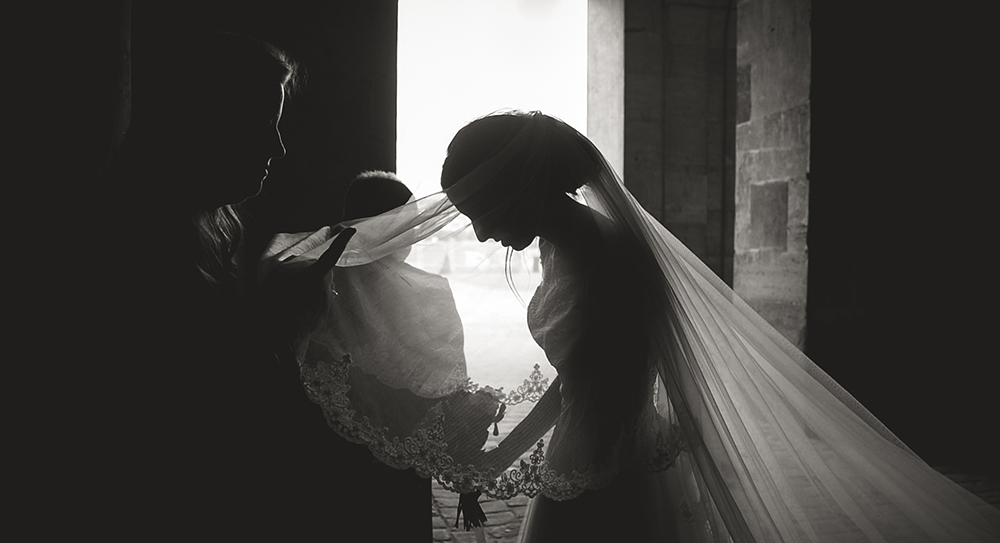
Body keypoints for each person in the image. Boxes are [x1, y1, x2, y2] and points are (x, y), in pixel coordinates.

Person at [290, 110, 1000, 542]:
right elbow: (578, 380)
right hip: (587, 451)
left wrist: (501, 460)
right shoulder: (567, 242)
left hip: (606, 467)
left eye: (480, 209)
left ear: (518, 189)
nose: (475, 232)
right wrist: (498, 460)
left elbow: (590, 387)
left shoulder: (603, 260)